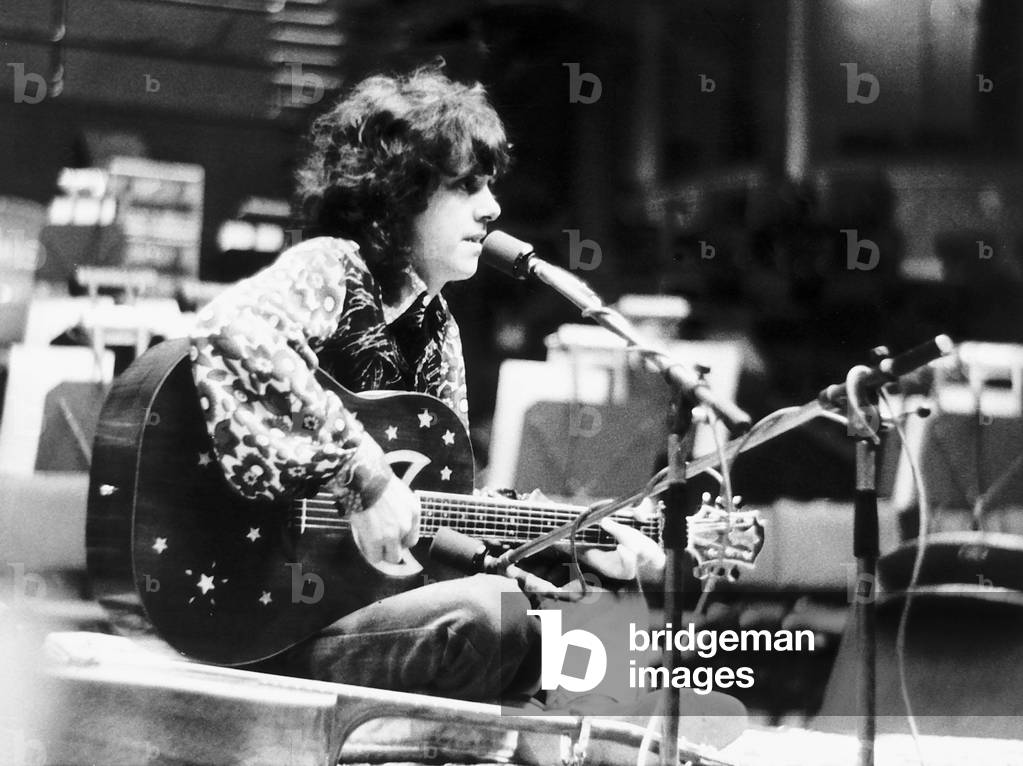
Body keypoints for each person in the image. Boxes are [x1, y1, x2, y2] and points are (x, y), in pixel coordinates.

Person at [188, 64, 661, 704]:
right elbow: (232, 330)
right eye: (466, 186)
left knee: (601, 624)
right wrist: (363, 474)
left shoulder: (437, 329)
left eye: (488, 185)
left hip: (368, 609)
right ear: (399, 193)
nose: (492, 208)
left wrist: (575, 548)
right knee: (490, 615)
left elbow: (441, 511)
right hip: (264, 615)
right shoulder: (332, 269)